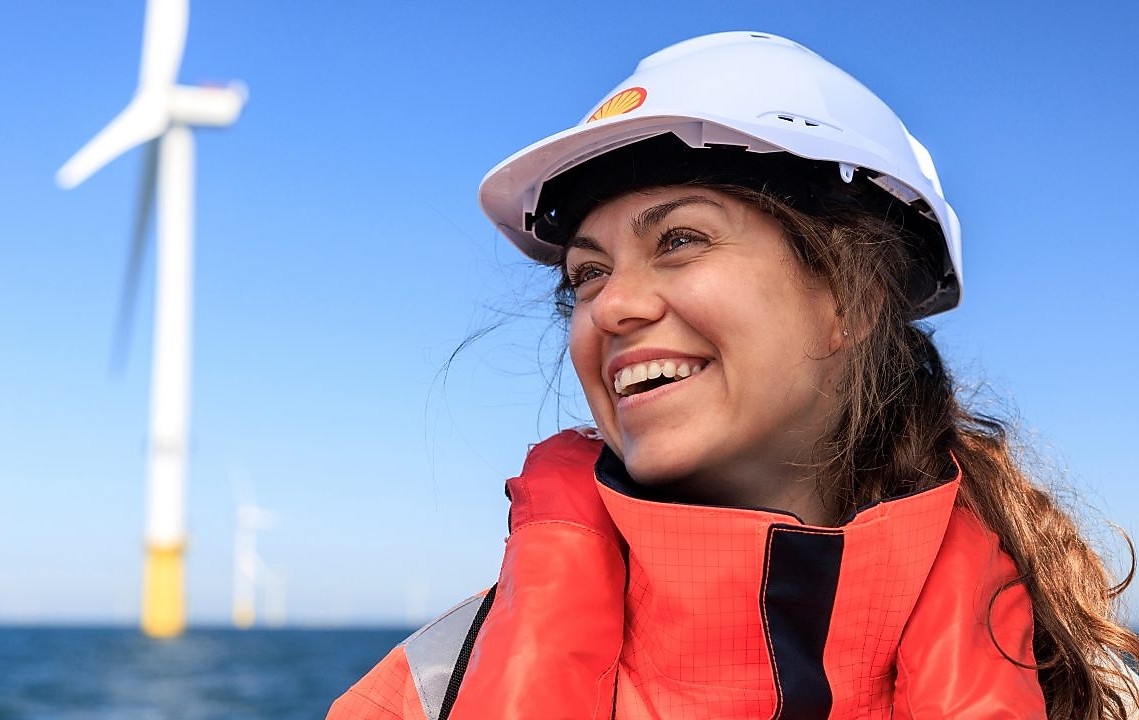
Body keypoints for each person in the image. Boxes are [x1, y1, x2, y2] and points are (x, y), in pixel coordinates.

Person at [328, 31, 1139, 720]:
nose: (610, 307)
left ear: (852, 297)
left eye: (680, 239)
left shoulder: (1085, 688)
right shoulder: (425, 693)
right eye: (586, 275)